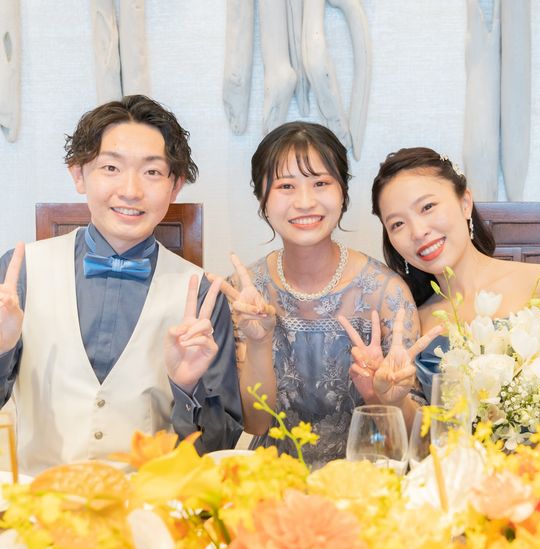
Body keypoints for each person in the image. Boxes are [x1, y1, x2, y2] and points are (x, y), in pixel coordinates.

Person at [0, 95, 266, 475]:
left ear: (175, 186)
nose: (130, 190)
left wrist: (187, 388)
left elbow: (218, 450)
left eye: (152, 172)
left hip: (151, 504)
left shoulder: (203, 294)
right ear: (78, 175)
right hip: (38, 500)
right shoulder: (20, 272)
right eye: (111, 167)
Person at [216, 121, 428, 468]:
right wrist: (258, 343)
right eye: (286, 186)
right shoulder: (244, 293)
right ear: (262, 200)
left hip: (365, 481)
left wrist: (388, 399)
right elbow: (255, 423)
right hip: (272, 480)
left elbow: (413, 441)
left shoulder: (385, 293)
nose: (305, 202)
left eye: (320, 183)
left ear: (343, 193)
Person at [370, 146, 540, 400]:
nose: (417, 232)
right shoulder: (414, 323)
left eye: (427, 207)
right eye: (397, 224)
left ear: (465, 203)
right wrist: (393, 400)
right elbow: (420, 421)